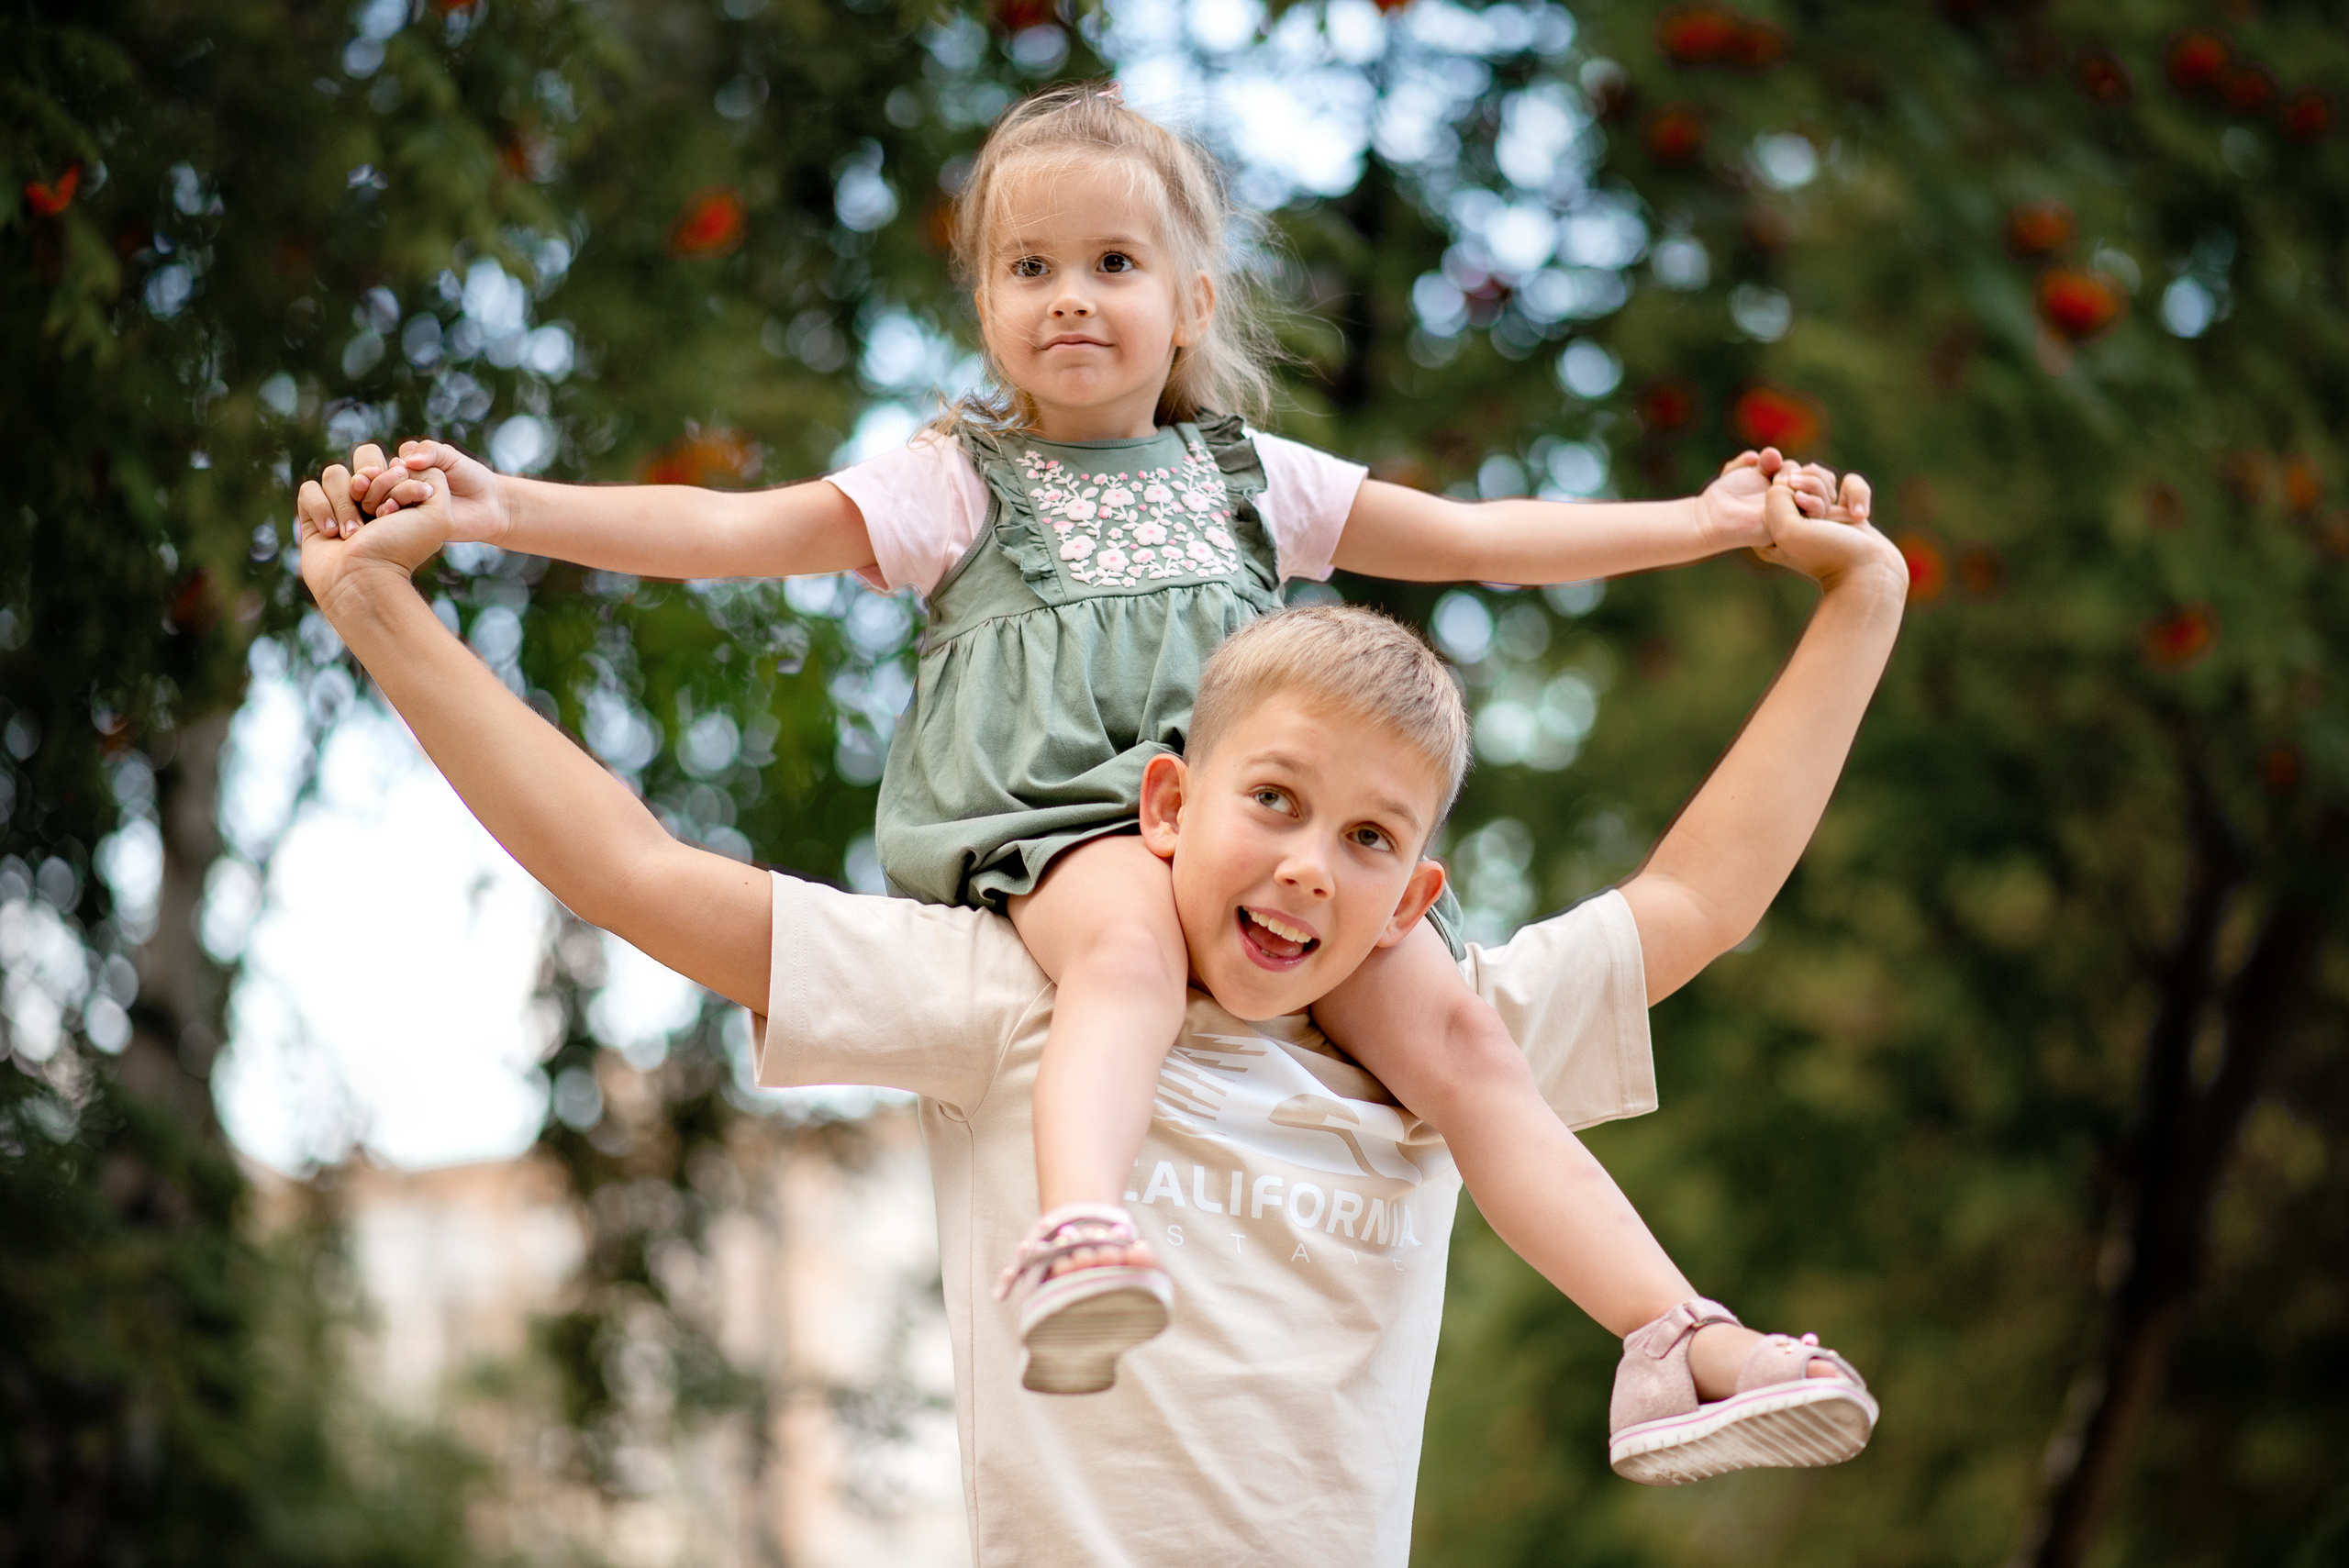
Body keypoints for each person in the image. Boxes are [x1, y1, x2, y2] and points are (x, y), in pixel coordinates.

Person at [328, 83, 1881, 1406]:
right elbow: (733, 529)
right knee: (1127, 956)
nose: (1071, 293)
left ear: (1191, 303)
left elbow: (1478, 538)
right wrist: (499, 508)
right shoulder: (959, 486)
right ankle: (1079, 1231)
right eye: (1030, 265)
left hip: (1242, 826)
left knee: (1470, 1042)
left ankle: (1676, 1332)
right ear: (990, 308)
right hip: (1068, 828)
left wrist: (1710, 519)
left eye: (1115, 260)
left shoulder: (1252, 478)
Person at [292, 441, 1905, 1555]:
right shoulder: (1018, 995)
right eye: (1272, 802)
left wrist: (1860, 598)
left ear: (1415, 895)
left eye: (1365, 841)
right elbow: (641, 873)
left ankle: (1677, 1338)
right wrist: (384, 613)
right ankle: (1089, 1232)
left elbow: (1703, 893)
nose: (1307, 871)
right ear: (1166, 806)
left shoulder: (1438, 1045)